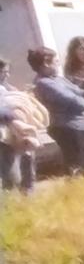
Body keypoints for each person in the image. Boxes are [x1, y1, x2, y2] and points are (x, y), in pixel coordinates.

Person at [30, 45, 84, 174]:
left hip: (82, 124)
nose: (58, 64)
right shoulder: (43, 83)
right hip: (68, 127)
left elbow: (80, 92)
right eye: (56, 61)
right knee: (76, 164)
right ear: (46, 64)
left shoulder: (58, 79)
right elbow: (73, 100)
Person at [1, 58, 51, 192]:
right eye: (3, 72)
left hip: (21, 136)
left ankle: (27, 195)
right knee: (11, 175)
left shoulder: (7, 87)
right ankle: (11, 201)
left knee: (27, 163)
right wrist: (12, 116)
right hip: (5, 139)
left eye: (7, 71)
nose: (6, 75)